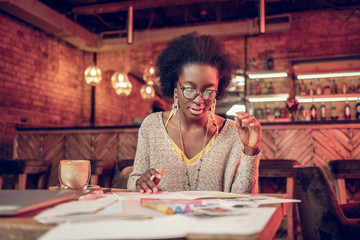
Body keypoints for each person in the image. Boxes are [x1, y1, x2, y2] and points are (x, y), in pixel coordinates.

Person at [127, 32, 262, 194]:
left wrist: (251, 149)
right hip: (163, 217)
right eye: (190, 89)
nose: (199, 100)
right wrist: (140, 182)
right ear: (175, 85)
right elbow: (134, 179)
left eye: (209, 90)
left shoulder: (234, 133)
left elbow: (244, 198)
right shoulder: (152, 126)